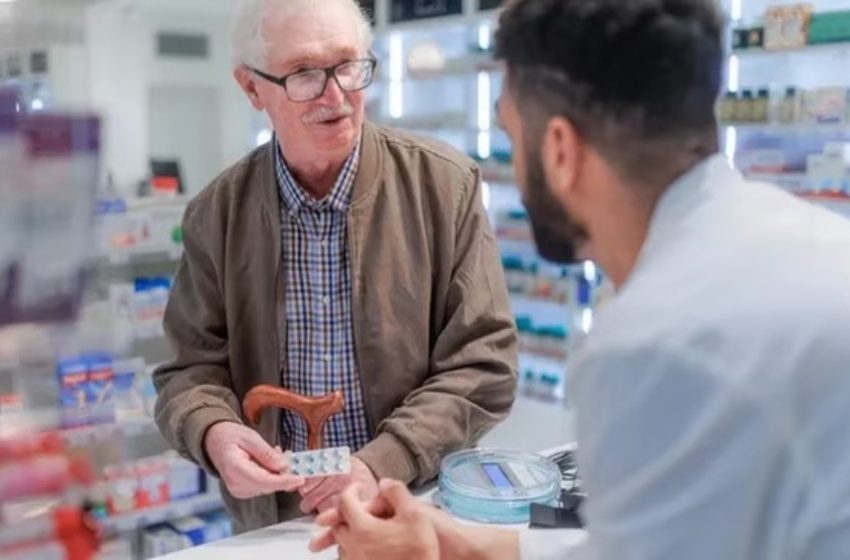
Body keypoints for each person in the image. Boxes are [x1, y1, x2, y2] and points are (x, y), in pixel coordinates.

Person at [310, 0, 850, 558]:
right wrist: (467, 548)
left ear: (561, 151)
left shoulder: (656, 342)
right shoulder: (788, 240)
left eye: (513, 138)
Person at [153, 0, 518, 533]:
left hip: (410, 508)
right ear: (252, 88)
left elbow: (483, 364)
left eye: (349, 65)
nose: (337, 95)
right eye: (304, 73)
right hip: (274, 524)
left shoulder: (445, 187)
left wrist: (381, 463)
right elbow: (189, 371)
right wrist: (212, 431)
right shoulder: (217, 214)